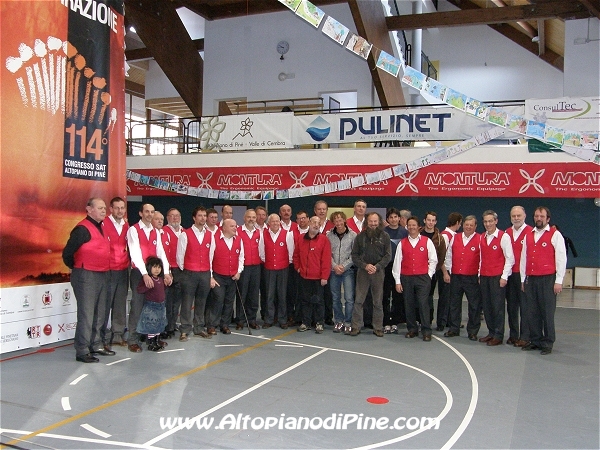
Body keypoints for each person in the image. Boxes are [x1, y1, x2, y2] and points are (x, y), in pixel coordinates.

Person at [62, 198, 115, 363]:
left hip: (103, 274)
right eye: (100, 208)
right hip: (86, 275)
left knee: (100, 312)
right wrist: (77, 266)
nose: (103, 210)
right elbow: (67, 253)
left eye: (104, 208)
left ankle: (97, 344)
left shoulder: (103, 228)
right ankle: (82, 350)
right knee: (86, 313)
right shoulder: (82, 229)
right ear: (89, 209)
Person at [520, 206, 566, 355]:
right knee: (532, 311)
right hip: (531, 279)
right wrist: (522, 279)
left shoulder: (555, 234)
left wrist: (559, 280)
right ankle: (535, 340)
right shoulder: (528, 235)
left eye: (541, 216)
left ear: (548, 218)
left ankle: (548, 342)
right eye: (536, 216)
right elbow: (523, 258)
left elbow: (561, 258)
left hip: (548, 279)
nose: (538, 218)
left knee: (547, 312)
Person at [126, 203, 172, 353]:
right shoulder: (133, 230)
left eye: (152, 212)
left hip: (153, 273)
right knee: (137, 305)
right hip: (139, 273)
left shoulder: (156, 232)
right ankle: (132, 339)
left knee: (152, 307)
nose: (149, 214)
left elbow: (161, 253)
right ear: (140, 213)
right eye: (147, 211)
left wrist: (166, 272)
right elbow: (135, 252)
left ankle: (150, 337)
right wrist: (145, 274)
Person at [393, 216, 437, 341]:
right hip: (406, 278)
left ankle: (426, 330)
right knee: (409, 304)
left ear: (419, 227)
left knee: (423, 304)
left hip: (422, 278)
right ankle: (412, 329)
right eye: (409, 225)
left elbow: (433, 260)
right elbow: (397, 263)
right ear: (407, 227)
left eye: (414, 225)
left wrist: (428, 275)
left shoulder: (427, 241)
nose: (411, 227)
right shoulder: (402, 243)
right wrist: (397, 281)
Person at [349, 212, 391, 337]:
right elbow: (354, 256)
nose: (373, 224)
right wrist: (365, 266)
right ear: (367, 222)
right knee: (359, 300)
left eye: (375, 221)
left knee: (378, 301)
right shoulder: (360, 237)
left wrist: (377, 267)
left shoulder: (385, 236)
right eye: (371, 221)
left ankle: (378, 327)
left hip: (378, 272)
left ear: (379, 222)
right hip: (363, 271)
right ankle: (356, 326)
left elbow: (388, 255)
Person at [177, 206, 215, 340]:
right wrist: (187, 270)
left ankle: (199, 327)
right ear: (194, 218)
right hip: (189, 273)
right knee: (187, 302)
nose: (203, 218)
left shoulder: (210, 235)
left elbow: (211, 257)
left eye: (205, 216)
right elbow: (180, 256)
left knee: (201, 302)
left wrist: (209, 275)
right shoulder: (185, 234)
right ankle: (185, 329)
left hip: (204, 273)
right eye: (200, 215)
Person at [442, 215, 482, 341]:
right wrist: (448, 272)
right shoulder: (455, 238)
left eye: (471, 225)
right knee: (454, 304)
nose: (468, 227)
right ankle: (454, 328)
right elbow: (448, 255)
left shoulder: (480, 239)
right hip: (456, 277)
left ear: (475, 226)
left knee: (474, 305)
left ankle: (473, 331)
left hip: (472, 278)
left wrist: (479, 274)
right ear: (463, 225)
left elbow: (482, 259)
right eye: (466, 224)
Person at [478, 210, 514, 346]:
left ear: (496, 221)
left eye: (490, 221)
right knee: (487, 306)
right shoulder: (482, 237)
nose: (488, 224)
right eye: (485, 221)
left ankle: (498, 335)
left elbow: (510, 258)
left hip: (497, 277)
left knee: (497, 307)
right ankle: (491, 332)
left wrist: (504, 277)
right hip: (485, 276)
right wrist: (479, 274)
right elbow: (481, 258)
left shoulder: (503, 237)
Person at [294, 216, 331, 333]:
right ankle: (306, 322)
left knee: (319, 301)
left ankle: (319, 323)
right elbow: (296, 255)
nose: (316, 225)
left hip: (318, 278)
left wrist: (325, 276)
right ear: (309, 223)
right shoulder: (300, 238)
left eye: (318, 223)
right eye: (314, 222)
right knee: (305, 301)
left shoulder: (324, 240)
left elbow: (326, 260)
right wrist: (298, 267)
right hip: (304, 277)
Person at [102, 196, 129, 347]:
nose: (120, 211)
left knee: (120, 303)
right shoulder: (103, 223)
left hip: (123, 269)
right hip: (108, 270)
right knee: (105, 304)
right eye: (117, 208)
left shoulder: (126, 225)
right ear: (111, 209)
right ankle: (103, 338)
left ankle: (118, 335)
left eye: (122, 208)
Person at [208, 218, 244, 334]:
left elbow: (241, 257)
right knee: (218, 300)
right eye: (232, 226)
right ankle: (212, 325)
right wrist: (211, 276)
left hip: (232, 277)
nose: (235, 228)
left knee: (229, 301)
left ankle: (225, 324)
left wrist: (238, 271)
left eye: (236, 226)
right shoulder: (214, 239)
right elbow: (209, 259)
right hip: (218, 276)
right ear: (224, 228)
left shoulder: (239, 240)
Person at [259, 213, 294, 328]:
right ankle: (269, 319)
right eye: (273, 221)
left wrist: (282, 263)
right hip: (269, 269)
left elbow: (291, 252)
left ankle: (282, 319)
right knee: (269, 295)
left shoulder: (287, 234)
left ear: (280, 222)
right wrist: (270, 262)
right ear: (269, 223)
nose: (275, 223)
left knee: (282, 295)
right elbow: (262, 253)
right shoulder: (263, 235)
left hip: (283, 269)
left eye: (277, 221)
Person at [505, 206, 533, 347]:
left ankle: (525, 336)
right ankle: (513, 335)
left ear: (524, 216)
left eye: (518, 215)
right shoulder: (507, 233)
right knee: (511, 307)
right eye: (513, 216)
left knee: (525, 307)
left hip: (524, 276)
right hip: (510, 275)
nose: (516, 218)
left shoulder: (531, 232)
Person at [328, 211, 356, 334]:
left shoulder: (353, 235)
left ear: (344, 220)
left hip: (348, 271)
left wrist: (343, 267)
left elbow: (354, 254)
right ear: (333, 222)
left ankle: (348, 322)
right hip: (333, 271)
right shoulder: (329, 235)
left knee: (349, 298)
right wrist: (334, 266)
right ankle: (338, 321)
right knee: (335, 298)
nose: (338, 223)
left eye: (340, 220)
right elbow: (327, 254)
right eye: (336, 221)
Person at [436, 212, 463, 331]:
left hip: (451, 271)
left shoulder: (453, 235)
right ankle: (441, 323)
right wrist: (445, 273)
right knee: (445, 297)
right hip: (445, 271)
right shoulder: (446, 236)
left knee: (451, 297)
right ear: (457, 223)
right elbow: (442, 257)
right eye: (460, 223)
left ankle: (449, 320)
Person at [383, 207, 407, 333]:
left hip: (400, 269)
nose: (393, 219)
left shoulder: (404, 232)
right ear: (387, 219)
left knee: (398, 296)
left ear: (399, 218)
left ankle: (395, 321)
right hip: (386, 268)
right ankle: (386, 321)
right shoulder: (383, 232)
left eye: (395, 217)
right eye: (391, 217)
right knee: (385, 295)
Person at [419, 211, 446, 325]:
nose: (430, 222)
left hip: (431, 274)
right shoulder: (416, 234)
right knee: (417, 297)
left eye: (433, 220)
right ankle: (418, 320)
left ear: (436, 222)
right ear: (424, 221)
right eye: (428, 220)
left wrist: (433, 270)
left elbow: (441, 257)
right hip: (416, 273)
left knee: (428, 297)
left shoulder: (440, 239)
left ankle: (428, 321)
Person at [136, 256, 168, 351]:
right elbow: (139, 289)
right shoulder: (148, 280)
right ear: (149, 268)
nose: (157, 269)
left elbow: (162, 289)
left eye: (159, 267)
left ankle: (157, 340)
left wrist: (166, 283)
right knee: (151, 326)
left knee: (159, 325)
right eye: (154, 267)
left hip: (161, 306)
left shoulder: (161, 279)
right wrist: (147, 287)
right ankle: (151, 342)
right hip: (151, 307)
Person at [237, 209, 262, 329]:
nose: (251, 219)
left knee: (253, 294)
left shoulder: (259, 232)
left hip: (256, 267)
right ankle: (241, 320)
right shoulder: (238, 231)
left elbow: (262, 251)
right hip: (243, 267)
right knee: (242, 294)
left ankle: (252, 319)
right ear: (244, 218)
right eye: (249, 217)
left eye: (253, 217)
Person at [162, 208, 184, 339]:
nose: (175, 218)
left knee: (177, 300)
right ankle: (166, 326)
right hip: (169, 270)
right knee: (168, 300)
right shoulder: (163, 232)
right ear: (167, 218)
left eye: (177, 216)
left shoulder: (185, 232)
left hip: (181, 271)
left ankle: (172, 324)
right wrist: (167, 271)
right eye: (172, 216)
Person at [280, 204, 299, 326]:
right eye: (284, 211)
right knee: (281, 292)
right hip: (280, 265)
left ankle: (293, 315)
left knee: (293, 291)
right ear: (280, 213)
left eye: (288, 210)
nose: (286, 213)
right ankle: (282, 315)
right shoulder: (275, 225)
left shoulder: (296, 227)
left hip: (292, 265)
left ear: (291, 213)